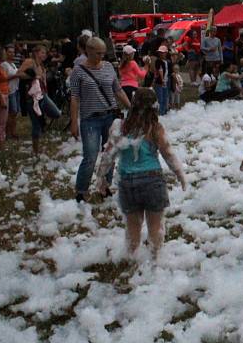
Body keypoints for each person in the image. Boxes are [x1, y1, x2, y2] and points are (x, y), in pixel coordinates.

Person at [96, 88, 187, 259]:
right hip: (152, 180)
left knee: (133, 228)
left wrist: (101, 178)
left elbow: (108, 155)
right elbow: (168, 153)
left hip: (127, 182)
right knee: (155, 227)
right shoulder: (155, 128)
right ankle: (155, 260)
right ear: (154, 107)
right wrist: (180, 174)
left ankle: (132, 259)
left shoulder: (120, 126)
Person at [69, 37, 131, 203]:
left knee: (109, 154)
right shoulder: (78, 71)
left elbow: (118, 90)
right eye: (98, 53)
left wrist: (131, 107)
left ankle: (104, 187)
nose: (101, 56)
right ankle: (81, 190)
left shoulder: (109, 67)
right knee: (90, 156)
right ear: (88, 51)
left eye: (103, 53)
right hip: (90, 119)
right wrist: (74, 122)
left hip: (110, 116)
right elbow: (74, 98)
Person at [17, 44, 61, 154]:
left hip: (43, 95)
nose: (45, 55)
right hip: (32, 98)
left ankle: (42, 116)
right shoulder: (29, 62)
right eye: (43, 52)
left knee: (56, 113)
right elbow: (19, 73)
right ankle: (36, 150)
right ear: (36, 53)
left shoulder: (41, 66)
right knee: (36, 125)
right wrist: (33, 76)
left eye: (45, 53)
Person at [2, 45, 20, 140]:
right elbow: (4, 78)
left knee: (15, 112)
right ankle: (7, 133)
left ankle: (13, 131)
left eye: (13, 52)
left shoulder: (13, 64)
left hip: (16, 89)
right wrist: (16, 75)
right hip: (9, 90)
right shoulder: (4, 64)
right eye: (10, 52)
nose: (12, 54)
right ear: (6, 53)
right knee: (11, 112)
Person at [153, 46, 171, 115]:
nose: (161, 54)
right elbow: (160, 70)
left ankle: (163, 113)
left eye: (163, 53)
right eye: (160, 52)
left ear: (166, 53)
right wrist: (162, 79)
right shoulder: (158, 61)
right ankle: (160, 114)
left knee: (165, 98)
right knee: (160, 99)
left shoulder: (167, 61)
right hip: (160, 82)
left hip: (166, 82)